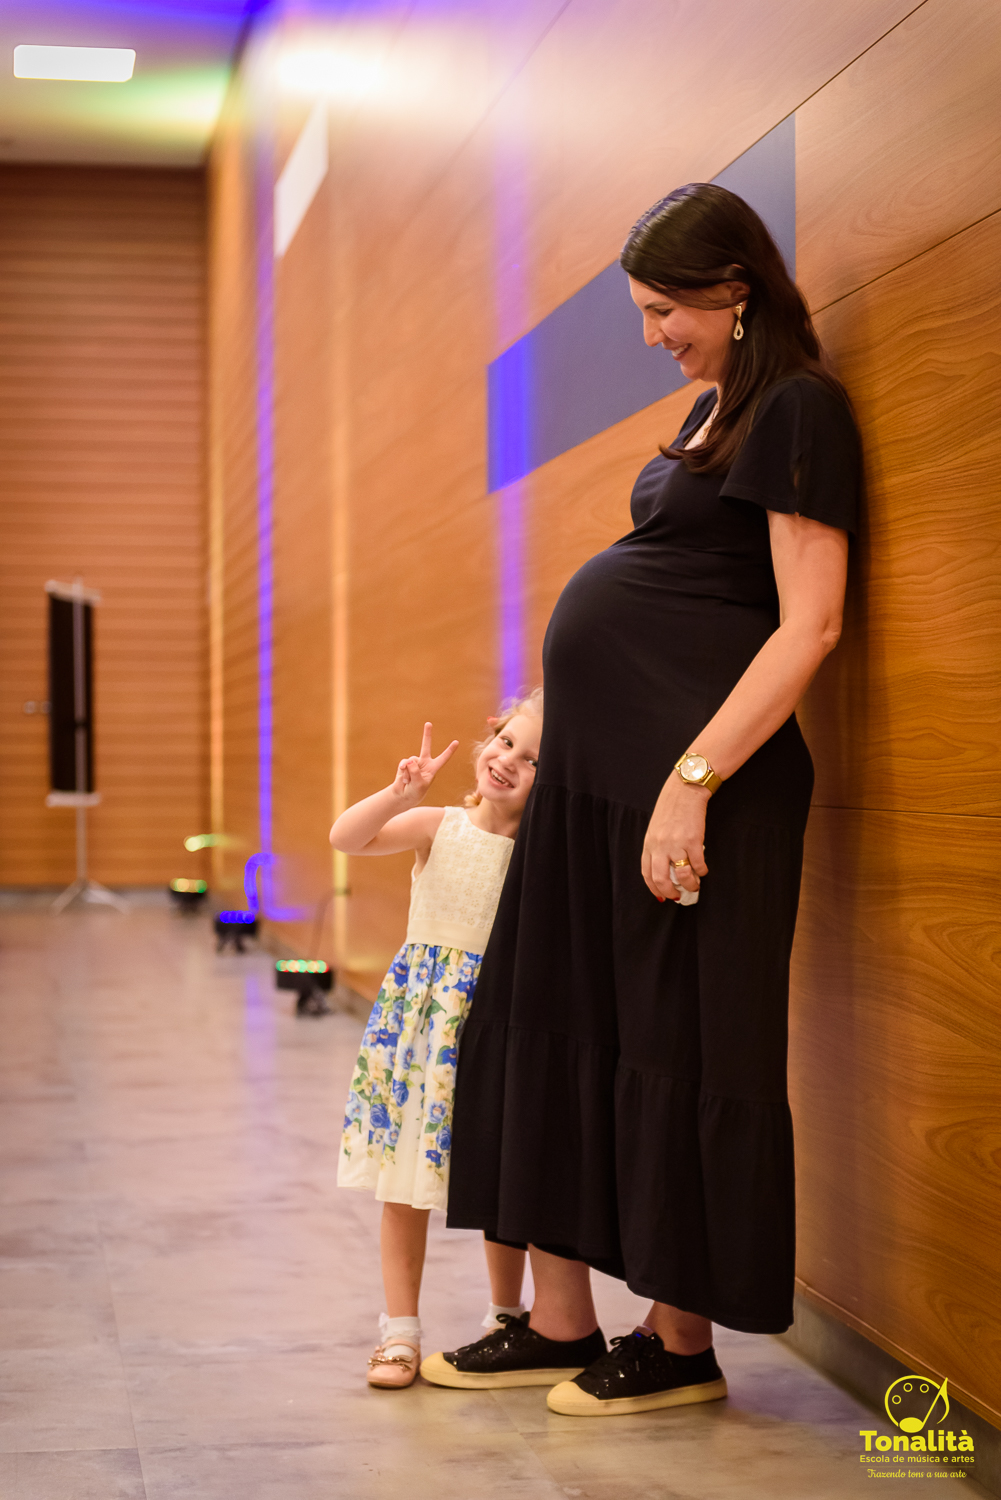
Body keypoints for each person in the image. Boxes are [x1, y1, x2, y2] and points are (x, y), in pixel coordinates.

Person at [424, 183, 863, 1417]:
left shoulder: (797, 407)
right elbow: (652, 593)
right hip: (595, 786)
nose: (651, 334)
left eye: (665, 309)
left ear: (735, 290)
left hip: (695, 791)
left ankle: (678, 1345)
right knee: (550, 1023)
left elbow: (808, 624)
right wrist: (538, 716)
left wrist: (690, 781)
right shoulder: (710, 407)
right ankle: (559, 1322)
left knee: (675, 1046)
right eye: (641, 311)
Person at [333, 694, 543, 1389]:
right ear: (487, 740)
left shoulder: (537, 856)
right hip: (422, 1026)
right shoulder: (438, 825)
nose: (508, 761)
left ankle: (508, 1318)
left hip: (493, 1025)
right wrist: (400, 794)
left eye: (532, 759)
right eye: (506, 742)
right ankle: (399, 1332)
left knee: (501, 1177)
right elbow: (347, 839)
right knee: (404, 1183)